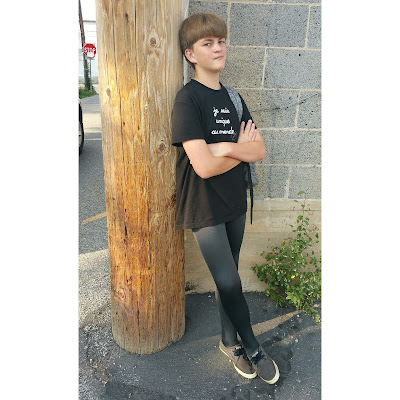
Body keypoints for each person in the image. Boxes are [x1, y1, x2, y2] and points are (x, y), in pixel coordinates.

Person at [171, 12, 279, 385]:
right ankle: (252, 345)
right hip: (203, 203)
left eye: (221, 41)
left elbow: (258, 149)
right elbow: (202, 167)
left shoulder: (233, 97)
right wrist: (237, 149)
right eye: (208, 43)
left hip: (234, 199)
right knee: (230, 281)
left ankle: (228, 341)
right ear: (191, 54)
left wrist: (224, 147)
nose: (218, 48)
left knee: (228, 275)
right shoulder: (188, 99)